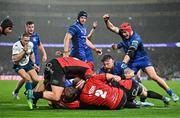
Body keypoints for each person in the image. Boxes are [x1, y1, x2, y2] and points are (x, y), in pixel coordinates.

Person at [103, 14, 179, 102]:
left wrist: (124, 63)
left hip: (143, 59)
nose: (124, 34)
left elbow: (130, 53)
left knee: (153, 76)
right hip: (132, 62)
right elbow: (112, 28)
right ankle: (137, 97)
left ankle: (171, 93)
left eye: (125, 32)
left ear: (129, 30)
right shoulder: (123, 34)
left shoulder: (136, 39)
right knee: (126, 78)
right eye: (122, 32)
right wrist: (106, 21)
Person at [12, 21, 47, 99]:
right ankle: (25, 93)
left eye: (32, 27)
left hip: (34, 59)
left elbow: (39, 44)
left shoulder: (36, 35)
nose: (31, 29)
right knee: (27, 78)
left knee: (34, 79)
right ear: (26, 27)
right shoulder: (23, 37)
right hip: (25, 59)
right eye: (29, 27)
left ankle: (28, 92)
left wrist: (44, 54)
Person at [12, 32, 39, 109]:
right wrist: (24, 50)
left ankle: (27, 90)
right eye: (25, 40)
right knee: (28, 78)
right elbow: (15, 60)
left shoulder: (30, 44)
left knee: (37, 80)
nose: (27, 42)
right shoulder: (16, 45)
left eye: (28, 40)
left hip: (27, 64)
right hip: (18, 65)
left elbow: (31, 53)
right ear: (21, 39)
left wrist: (34, 63)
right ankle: (29, 98)